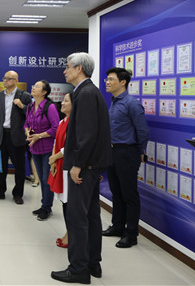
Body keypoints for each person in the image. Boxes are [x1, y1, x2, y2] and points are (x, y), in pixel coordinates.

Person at [51, 52, 112, 284]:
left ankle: (78, 269)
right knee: (91, 214)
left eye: (68, 67)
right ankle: (93, 262)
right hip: (92, 164)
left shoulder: (85, 94)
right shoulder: (90, 91)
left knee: (77, 217)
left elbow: (86, 135)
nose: (64, 71)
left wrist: (78, 164)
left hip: (84, 166)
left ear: (79, 69)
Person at [103, 67, 149, 248]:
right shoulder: (114, 103)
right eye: (107, 79)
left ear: (123, 82)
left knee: (129, 194)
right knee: (116, 192)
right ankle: (117, 226)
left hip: (127, 153)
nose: (107, 82)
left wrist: (139, 152)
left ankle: (131, 234)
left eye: (111, 79)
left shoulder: (132, 104)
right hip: (112, 151)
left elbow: (142, 131)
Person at [0, 71, 32, 205]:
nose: (5, 81)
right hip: (1, 135)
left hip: (17, 136)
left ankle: (18, 194)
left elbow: (31, 115)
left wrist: (21, 106)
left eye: (9, 78)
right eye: (4, 78)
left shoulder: (24, 96)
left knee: (19, 167)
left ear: (16, 80)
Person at [25, 80, 60, 220]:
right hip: (35, 148)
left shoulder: (50, 107)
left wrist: (39, 136)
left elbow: (56, 128)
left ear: (44, 92)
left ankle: (47, 208)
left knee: (46, 179)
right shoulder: (30, 106)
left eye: (37, 86)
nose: (33, 88)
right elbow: (26, 124)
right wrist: (28, 133)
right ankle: (44, 205)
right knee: (41, 178)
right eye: (33, 85)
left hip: (48, 149)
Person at [48, 92, 73, 249]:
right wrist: (53, 161)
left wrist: (55, 157)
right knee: (64, 202)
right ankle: (68, 232)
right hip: (59, 164)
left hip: (67, 165)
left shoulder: (74, 123)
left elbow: (69, 146)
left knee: (69, 203)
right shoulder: (63, 121)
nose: (62, 103)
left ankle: (71, 235)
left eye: (66, 101)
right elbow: (56, 141)